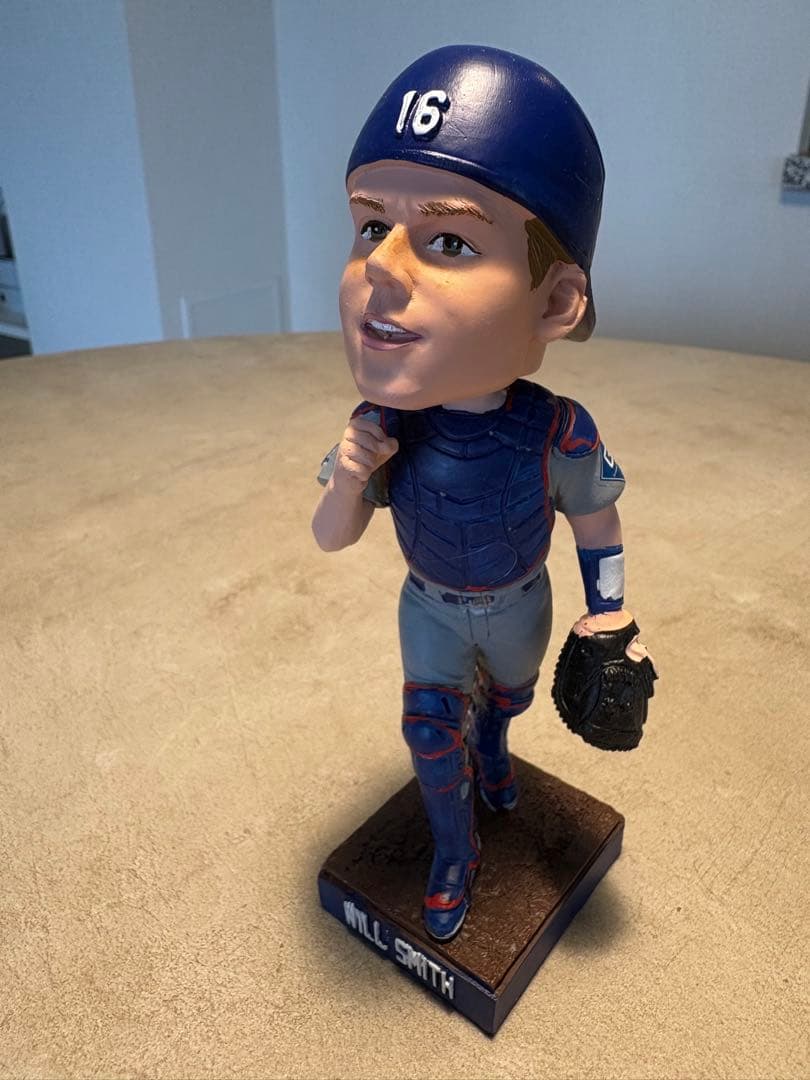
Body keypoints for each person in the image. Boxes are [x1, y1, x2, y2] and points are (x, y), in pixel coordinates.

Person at [312, 45, 655, 942]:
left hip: (518, 604)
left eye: (450, 242)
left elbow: (596, 518)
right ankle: (455, 852)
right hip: (428, 603)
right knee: (430, 729)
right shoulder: (384, 425)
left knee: (506, 701)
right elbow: (331, 537)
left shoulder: (555, 430)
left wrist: (611, 611)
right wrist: (349, 476)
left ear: (556, 304)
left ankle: (496, 748)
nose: (381, 268)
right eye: (369, 227)